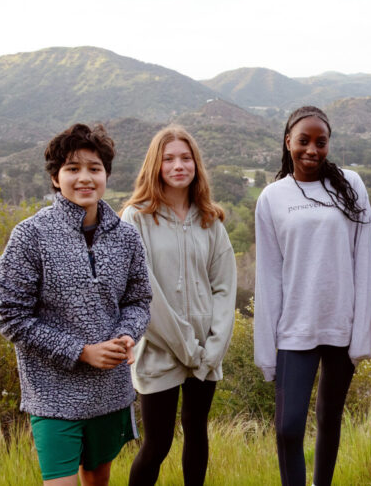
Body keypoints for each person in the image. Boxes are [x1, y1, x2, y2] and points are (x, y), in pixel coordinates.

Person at [0, 123, 151, 486]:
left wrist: (127, 334)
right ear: (55, 178)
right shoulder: (30, 235)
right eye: (72, 169)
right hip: (52, 396)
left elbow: (138, 300)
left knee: (98, 481)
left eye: (94, 168)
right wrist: (81, 351)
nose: (84, 178)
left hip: (110, 392)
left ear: (106, 175)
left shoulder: (126, 236)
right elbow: (11, 318)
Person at [253, 106, 371, 486]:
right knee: (288, 427)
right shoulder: (272, 197)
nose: (312, 149)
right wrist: (265, 348)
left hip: (341, 323)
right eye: (303, 140)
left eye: (320, 142)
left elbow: (364, 261)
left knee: (329, 418)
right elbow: (268, 275)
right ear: (288, 142)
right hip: (295, 327)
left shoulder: (350, 185)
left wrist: (362, 334)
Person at [121, 125, 237, 486]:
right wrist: (186, 345)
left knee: (197, 434)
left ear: (196, 165)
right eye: (168, 158)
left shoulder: (210, 219)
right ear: (156, 165)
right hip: (159, 349)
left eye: (185, 158)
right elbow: (142, 291)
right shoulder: (136, 218)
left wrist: (213, 348)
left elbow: (224, 286)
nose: (178, 165)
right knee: (157, 444)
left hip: (205, 352)